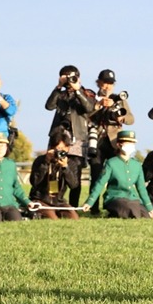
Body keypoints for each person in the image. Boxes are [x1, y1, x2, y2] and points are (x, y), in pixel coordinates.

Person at [44, 65, 96, 207]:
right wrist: (58, 87)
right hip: (58, 136)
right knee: (54, 171)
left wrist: (78, 91)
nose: (69, 80)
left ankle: (73, 207)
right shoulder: (60, 94)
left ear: (78, 77)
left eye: (72, 77)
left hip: (77, 137)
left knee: (75, 173)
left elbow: (89, 108)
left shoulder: (87, 93)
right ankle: (53, 202)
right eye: (66, 77)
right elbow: (49, 106)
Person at [88, 69, 134, 215]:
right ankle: (93, 207)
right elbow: (85, 115)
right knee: (96, 173)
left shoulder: (119, 99)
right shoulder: (91, 97)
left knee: (116, 174)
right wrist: (99, 105)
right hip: (97, 141)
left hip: (114, 142)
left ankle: (113, 205)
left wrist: (121, 118)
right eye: (105, 83)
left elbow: (131, 119)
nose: (108, 86)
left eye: (111, 83)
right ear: (98, 83)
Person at [83, 130, 153, 219]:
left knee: (144, 214)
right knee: (129, 210)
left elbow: (141, 188)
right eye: (127, 143)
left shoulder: (137, 165)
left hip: (132, 198)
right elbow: (100, 183)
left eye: (132, 143)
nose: (130, 146)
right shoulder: (111, 163)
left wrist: (150, 208)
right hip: (115, 198)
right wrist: (90, 202)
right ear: (118, 145)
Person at [29, 127, 80, 220]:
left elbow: (74, 185)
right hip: (41, 199)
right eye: (57, 149)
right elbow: (34, 182)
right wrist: (46, 163)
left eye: (62, 150)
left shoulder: (71, 163)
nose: (59, 153)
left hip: (59, 201)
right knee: (53, 218)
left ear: (68, 148)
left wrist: (65, 168)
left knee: (74, 218)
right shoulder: (40, 160)